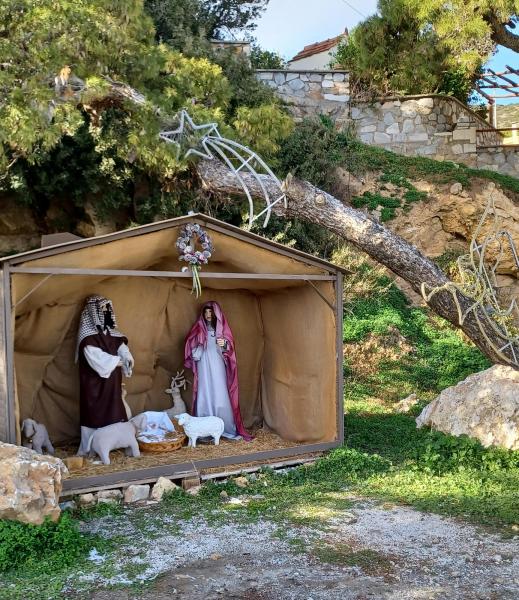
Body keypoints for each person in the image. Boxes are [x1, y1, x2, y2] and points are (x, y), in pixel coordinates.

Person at [184, 301, 251, 441]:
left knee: (220, 391)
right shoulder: (199, 328)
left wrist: (225, 344)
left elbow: (229, 347)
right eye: (206, 312)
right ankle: (205, 430)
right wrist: (198, 345)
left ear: (216, 314)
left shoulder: (222, 330)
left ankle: (224, 427)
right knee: (205, 390)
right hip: (203, 364)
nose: (208, 315)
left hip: (218, 363)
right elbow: (191, 344)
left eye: (210, 312)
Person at [76, 295, 134, 455]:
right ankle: (92, 446)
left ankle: (116, 442)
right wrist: (117, 362)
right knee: (95, 413)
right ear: (94, 312)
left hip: (112, 382)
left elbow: (121, 347)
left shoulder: (112, 334)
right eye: (102, 309)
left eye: (108, 309)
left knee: (115, 408)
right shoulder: (88, 339)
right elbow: (97, 358)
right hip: (94, 386)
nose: (107, 312)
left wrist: (127, 356)